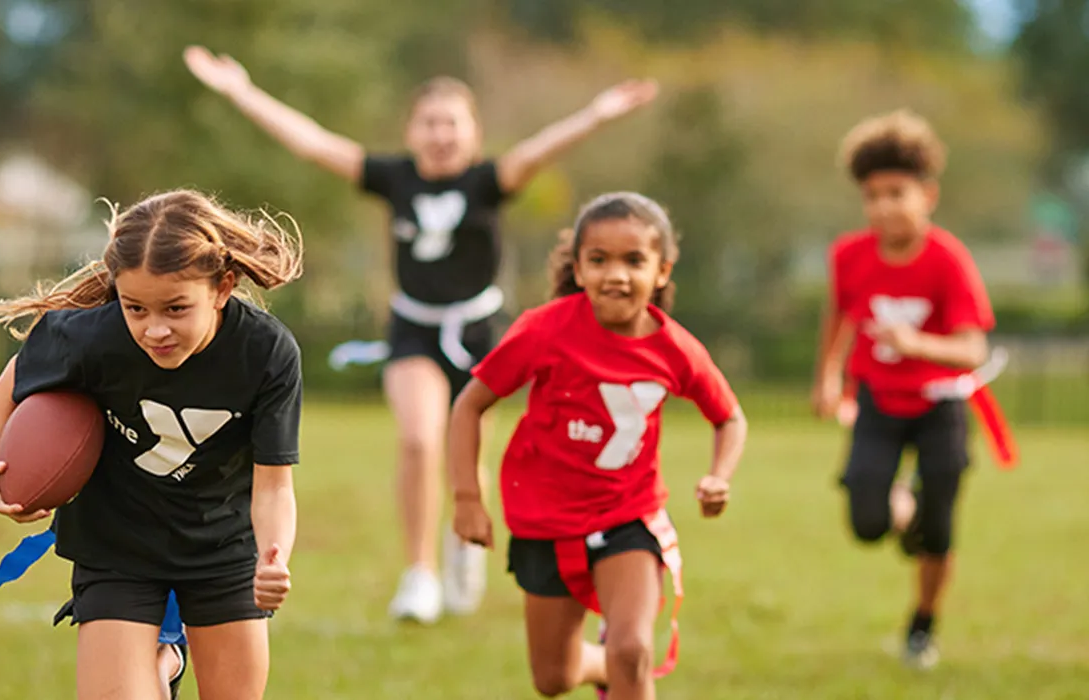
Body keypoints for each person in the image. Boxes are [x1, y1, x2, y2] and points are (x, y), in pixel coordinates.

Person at [184, 44, 661, 623]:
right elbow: (311, 142)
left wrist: (598, 113)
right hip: (414, 329)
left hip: (481, 331)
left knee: (468, 450)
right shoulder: (394, 178)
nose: (441, 135)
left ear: (473, 133)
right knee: (418, 438)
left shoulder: (488, 181)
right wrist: (240, 90)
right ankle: (420, 575)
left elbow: (540, 150)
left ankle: (464, 545)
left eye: (452, 124)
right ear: (412, 132)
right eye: (430, 123)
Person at [0, 190, 305, 699]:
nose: (154, 329)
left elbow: (275, 485)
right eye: (135, 308)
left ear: (222, 289)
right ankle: (160, 657)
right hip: (117, 543)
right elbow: (21, 371)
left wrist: (273, 557)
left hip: (221, 549)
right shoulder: (94, 337)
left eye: (176, 308)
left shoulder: (266, 352)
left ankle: (166, 654)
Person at [448, 192, 748, 699]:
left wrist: (720, 475)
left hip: (628, 514)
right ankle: (603, 667)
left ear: (662, 271)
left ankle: (621, 665)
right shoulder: (543, 331)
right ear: (579, 269)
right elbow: (469, 406)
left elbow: (730, 416)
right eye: (599, 259)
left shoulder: (676, 349)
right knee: (553, 678)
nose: (617, 274)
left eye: (634, 260)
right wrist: (466, 498)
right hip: (543, 518)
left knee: (633, 651)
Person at [810, 109, 1016, 670]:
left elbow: (973, 350)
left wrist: (917, 344)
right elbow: (838, 315)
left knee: (940, 530)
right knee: (867, 522)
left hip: (941, 407)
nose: (883, 206)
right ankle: (901, 506)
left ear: (928, 194)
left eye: (896, 192)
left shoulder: (948, 260)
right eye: (872, 195)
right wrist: (828, 376)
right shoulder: (849, 255)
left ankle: (922, 626)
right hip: (878, 400)